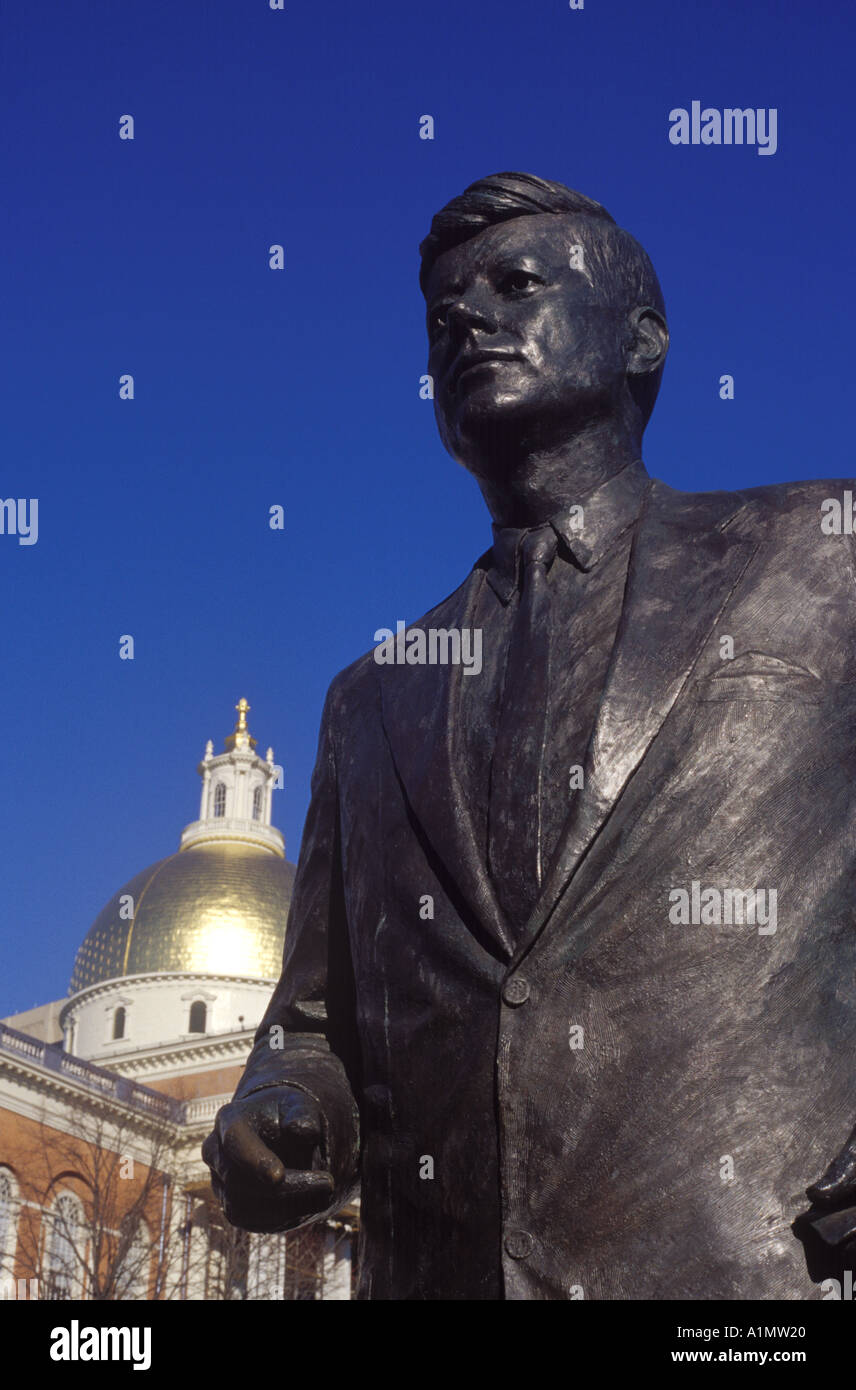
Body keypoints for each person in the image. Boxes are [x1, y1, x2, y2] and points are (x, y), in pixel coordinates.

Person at [203, 172, 856, 1299]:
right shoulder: (368, 700)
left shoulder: (822, 554)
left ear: (641, 340)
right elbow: (313, 1026)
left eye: (516, 285)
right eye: (442, 308)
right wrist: (284, 1112)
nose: (465, 318)